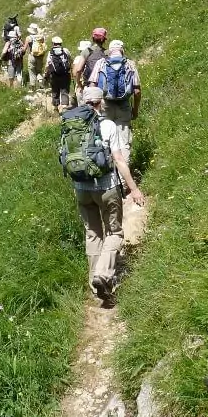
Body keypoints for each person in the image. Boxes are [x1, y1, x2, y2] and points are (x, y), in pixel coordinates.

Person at [63, 85, 145, 306]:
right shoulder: (107, 125)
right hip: (106, 187)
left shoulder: (69, 127)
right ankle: (103, 274)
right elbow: (119, 160)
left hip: (81, 189)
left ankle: (93, 284)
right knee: (115, 232)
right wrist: (133, 188)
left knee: (92, 234)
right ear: (101, 103)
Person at [88, 39, 141, 149]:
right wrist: (135, 110)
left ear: (110, 51)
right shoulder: (130, 64)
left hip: (104, 105)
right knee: (124, 143)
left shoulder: (101, 63)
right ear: (122, 50)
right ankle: (124, 165)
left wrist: (92, 108)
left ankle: (108, 163)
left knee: (106, 140)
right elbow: (137, 91)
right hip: (124, 105)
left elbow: (92, 86)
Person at [72, 27, 108, 101]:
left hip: (89, 86)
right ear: (104, 40)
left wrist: (79, 84)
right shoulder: (107, 53)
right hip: (103, 87)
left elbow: (78, 70)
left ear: (93, 38)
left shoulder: (87, 51)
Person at [44, 36, 72, 110]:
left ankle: (56, 108)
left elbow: (47, 65)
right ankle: (65, 108)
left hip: (54, 75)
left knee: (55, 90)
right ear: (61, 43)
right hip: (65, 74)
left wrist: (46, 74)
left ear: (53, 43)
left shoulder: (50, 53)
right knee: (64, 90)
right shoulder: (65, 50)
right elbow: (70, 59)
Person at [24, 23, 47, 88]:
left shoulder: (29, 38)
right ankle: (40, 83)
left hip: (32, 55)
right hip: (40, 56)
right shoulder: (41, 37)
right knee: (39, 71)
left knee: (32, 71)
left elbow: (24, 48)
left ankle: (33, 86)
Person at [74, 40, 92, 104]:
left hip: (81, 84)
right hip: (92, 85)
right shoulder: (94, 58)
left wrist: (79, 84)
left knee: (82, 107)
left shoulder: (78, 58)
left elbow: (75, 72)